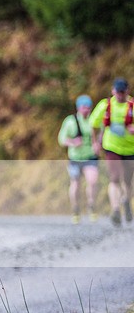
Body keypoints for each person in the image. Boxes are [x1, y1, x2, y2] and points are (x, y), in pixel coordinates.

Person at [89, 78, 134, 226]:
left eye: (122, 92)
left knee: (127, 181)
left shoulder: (132, 105)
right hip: (112, 147)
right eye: (118, 92)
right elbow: (93, 124)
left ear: (127, 91)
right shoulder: (105, 105)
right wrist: (95, 143)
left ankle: (126, 201)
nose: (120, 95)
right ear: (113, 91)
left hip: (130, 148)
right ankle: (115, 209)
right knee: (114, 178)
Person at [58, 94, 99, 223]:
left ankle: (91, 206)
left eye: (89, 107)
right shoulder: (70, 121)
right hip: (75, 158)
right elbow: (61, 139)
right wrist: (73, 142)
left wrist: (98, 143)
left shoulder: (94, 120)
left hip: (90, 156)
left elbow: (101, 132)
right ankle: (75, 209)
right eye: (84, 107)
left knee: (92, 181)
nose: (86, 110)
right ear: (78, 108)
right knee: (75, 184)